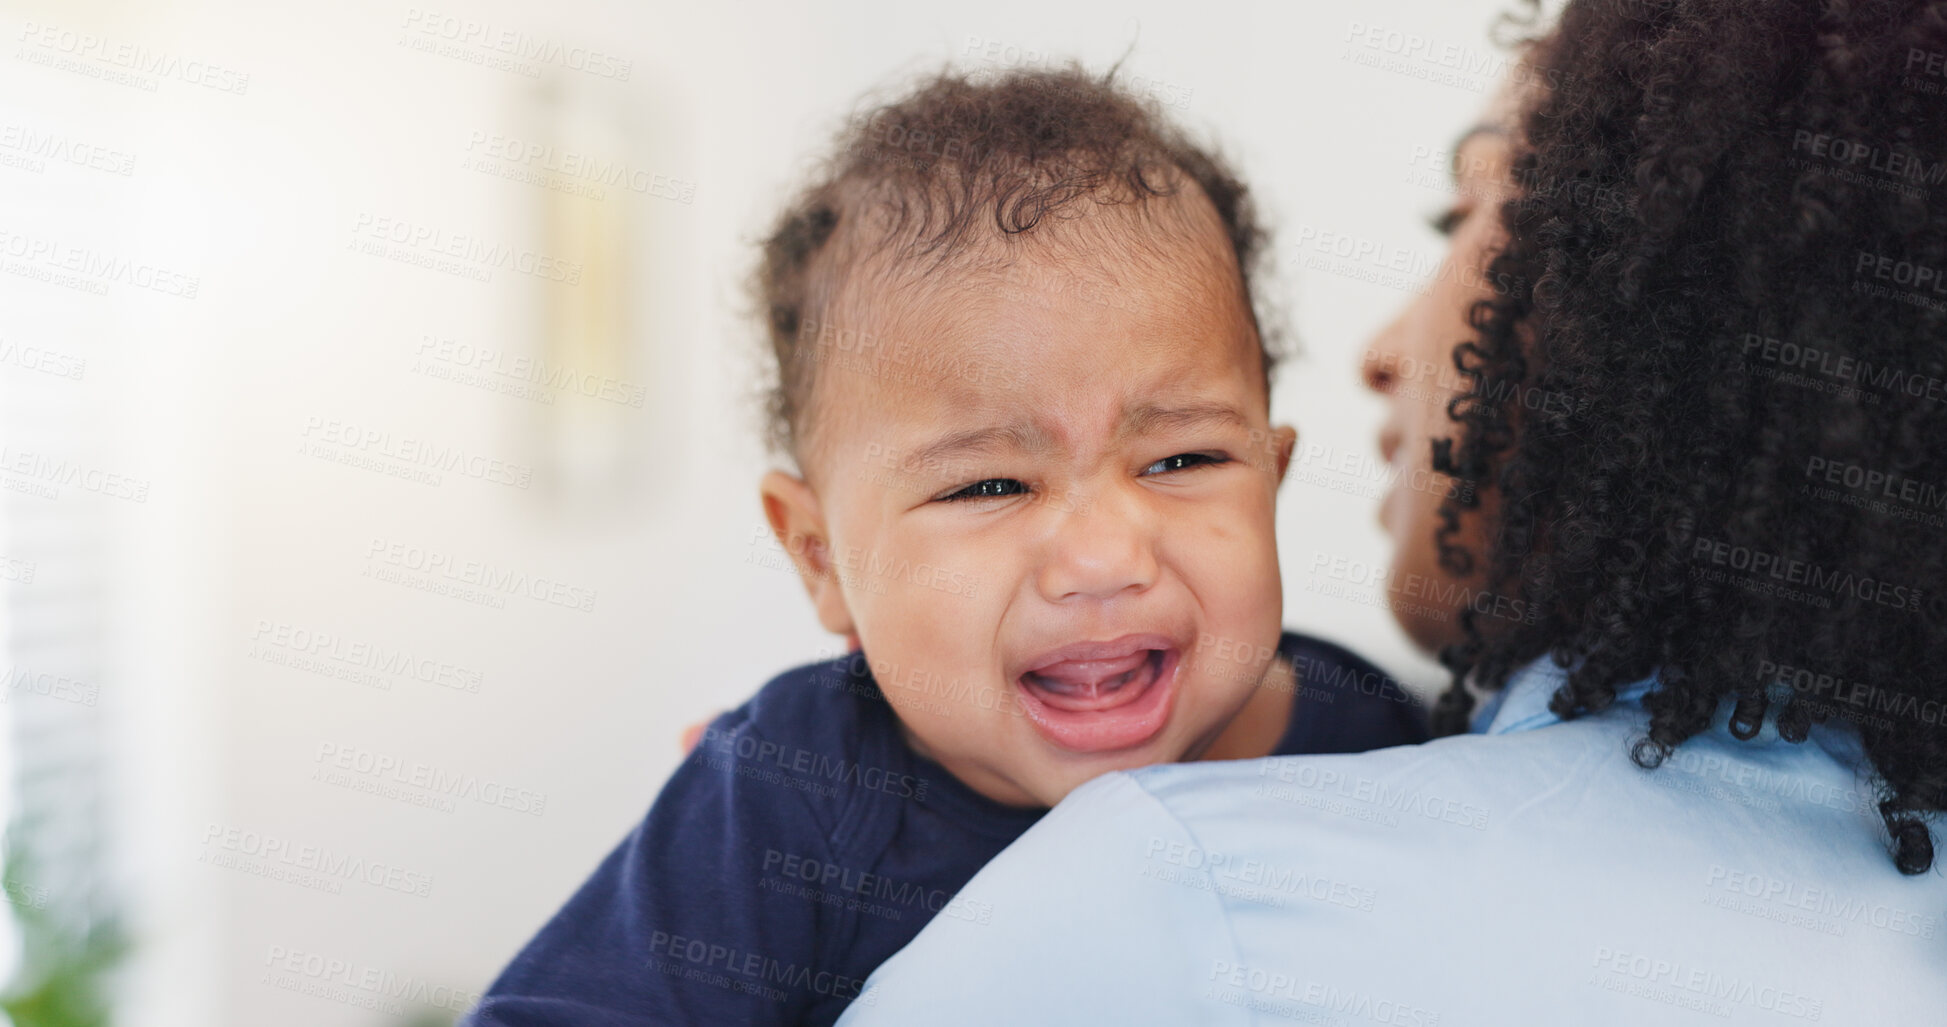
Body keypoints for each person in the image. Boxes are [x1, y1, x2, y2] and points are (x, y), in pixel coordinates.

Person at [837, 2, 1947, 1023]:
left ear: (1656, 289)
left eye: (1462, 210)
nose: (1379, 353)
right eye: (986, 484)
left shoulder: (1176, 901)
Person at [463, 67, 1426, 1027]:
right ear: (820, 557)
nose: (1102, 560)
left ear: (1270, 480)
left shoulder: (1376, 743)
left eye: (1182, 459)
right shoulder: (788, 792)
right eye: (987, 485)